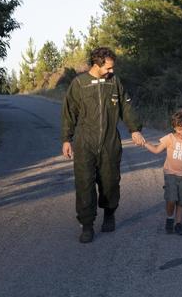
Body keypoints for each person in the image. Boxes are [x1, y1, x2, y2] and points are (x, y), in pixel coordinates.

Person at [61, 47, 146, 243]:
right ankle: (87, 225)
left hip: (110, 142)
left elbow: (126, 106)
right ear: (96, 64)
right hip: (85, 143)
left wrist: (134, 129)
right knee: (84, 184)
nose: (111, 71)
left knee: (110, 182)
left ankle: (109, 214)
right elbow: (69, 113)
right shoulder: (79, 84)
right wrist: (67, 139)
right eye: (108, 68)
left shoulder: (114, 82)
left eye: (112, 68)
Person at [141, 109, 182, 235]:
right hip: (170, 174)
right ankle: (170, 218)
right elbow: (156, 150)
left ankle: (179, 224)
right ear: (174, 127)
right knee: (171, 199)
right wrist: (144, 143)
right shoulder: (169, 138)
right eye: (180, 128)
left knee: (181, 202)